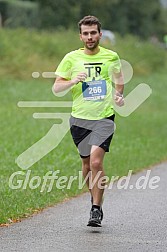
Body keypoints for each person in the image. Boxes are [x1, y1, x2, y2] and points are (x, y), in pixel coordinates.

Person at [54, 15, 124, 227]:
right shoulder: (71, 58)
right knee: (85, 164)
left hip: (104, 117)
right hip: (79, 119)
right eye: (86, 33)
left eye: (93, 32)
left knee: (95, 162)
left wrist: (119, 95)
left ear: (100, 34)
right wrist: (72, 80)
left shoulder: (111, 57)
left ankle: (95, 208)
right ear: (81, 36)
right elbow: (56, 87)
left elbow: (119, 81)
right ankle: (95, 199)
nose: (90, 36)